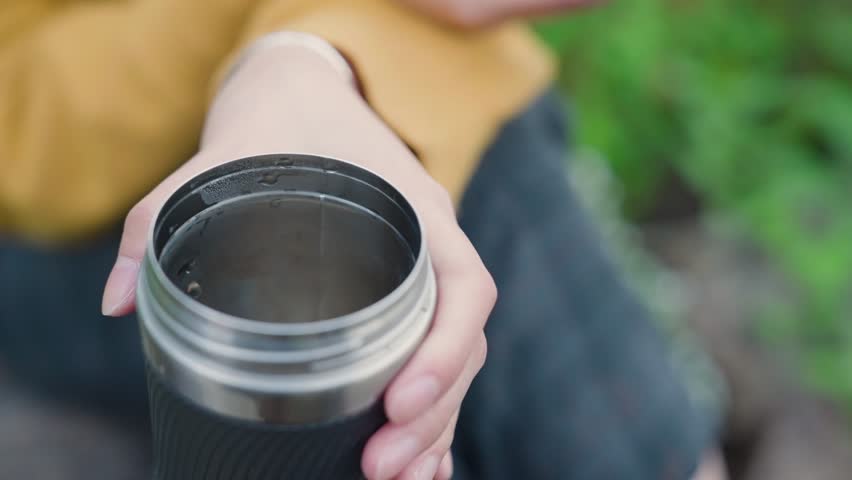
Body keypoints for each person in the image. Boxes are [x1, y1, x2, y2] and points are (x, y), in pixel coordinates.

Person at [0, 1, 725, 479]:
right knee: (481, 173)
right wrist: (302, 49)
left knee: (448, 201)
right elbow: (28, 134)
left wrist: (311, 53)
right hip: (53, 231)